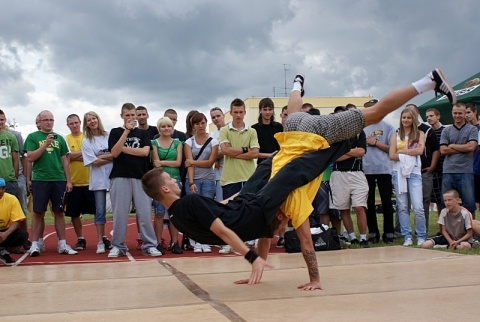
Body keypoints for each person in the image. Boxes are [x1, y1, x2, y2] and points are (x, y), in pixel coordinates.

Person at [142, 68, 457, 290]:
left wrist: (259, 261)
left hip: (313, 138)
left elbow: (297, 242)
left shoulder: (285, 203)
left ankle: (429, 80)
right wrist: (258, 265)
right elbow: (258, 231)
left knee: (372, 114)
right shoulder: (250, 212)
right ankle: (296, 84)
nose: (281, 229)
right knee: (293, 115)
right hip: (291, 135)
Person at [107, 103, 162, 258]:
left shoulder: (143, 133)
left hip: (140, 177)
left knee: (144, 213)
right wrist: (126, 132)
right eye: (128, 115)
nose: (131, 118)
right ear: (122, 116)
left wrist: (123, 149)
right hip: (119, 176)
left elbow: (145, 152)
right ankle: (118, 246)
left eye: (133, 115)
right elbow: (114, 153)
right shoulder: (116, 132)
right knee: (120, 214)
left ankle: (149, 245)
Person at [24, 110, 77, 256]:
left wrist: (68, 180)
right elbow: (30, 158)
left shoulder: (60, 138)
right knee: (38, 212)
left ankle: (62, 243)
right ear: (39, 122)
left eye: (51, 120)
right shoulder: (33, 137)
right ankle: (35, 244)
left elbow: (64, 161)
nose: (49, 122)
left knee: (59, 212)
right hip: (40, 179)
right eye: (46, 120)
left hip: (58, 179)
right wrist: (46, 143)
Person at [218, 98, 259, 253]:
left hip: (249, 177)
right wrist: (244, 150)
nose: (238, 115)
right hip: (230, 177)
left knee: (248, 210)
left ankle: (246, 239)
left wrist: (235, 151)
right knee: (230, 211)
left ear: (245, 112)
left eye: (241, 112)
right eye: (235, 112)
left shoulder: (252, 131)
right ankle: (230, 242)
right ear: (231, 113)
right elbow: (225, 151)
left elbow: (255, 153)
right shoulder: (224, 130)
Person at [329, 106, 369, 247]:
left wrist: (344, 152)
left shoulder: (359, 132)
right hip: (339, 174)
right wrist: (352, 152)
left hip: (357, 174)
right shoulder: (333, 135)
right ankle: (352, 237)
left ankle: (363, 237)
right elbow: (333, 158)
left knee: (359, 207)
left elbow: (361, 151)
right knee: (343, 208)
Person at [389, 108, 427, 246]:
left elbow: (420, 150)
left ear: (413, 120)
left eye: (408, 118)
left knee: (418, 206)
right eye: (403, 117)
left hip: (415, 172)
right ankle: (407, 236)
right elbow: (392, 155)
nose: (406, 120)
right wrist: (411, 152)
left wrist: (403, 151)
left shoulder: (420, 134)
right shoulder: (395, 135)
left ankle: (421, 235)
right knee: (402, 206)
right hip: (398, 172)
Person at [362, 99, 396, 243]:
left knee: (387, 202)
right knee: (368, 203)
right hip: (366, 169)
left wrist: (376, 143)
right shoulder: (361, 127)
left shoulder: (389, 127)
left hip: (384, 169)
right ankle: (373, 232)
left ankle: (389, 232)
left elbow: (392, 149)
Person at [184, 112, 219, 253]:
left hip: (209, 180)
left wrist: (193, 161)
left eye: (203, 122)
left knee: (206, 211)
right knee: (194, 212)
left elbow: (210, 162)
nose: (201, 126)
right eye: (197, 123)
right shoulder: (189, 142)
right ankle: (196, 241)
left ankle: (205, 240)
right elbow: (188, 165)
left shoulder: (213, 142)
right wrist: (191, 182)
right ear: (193, 126)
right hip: (193, 180)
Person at [81, 111, 113, 254]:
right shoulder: (86, 141)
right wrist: (110, 156)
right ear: (86, 124)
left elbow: (117, 154)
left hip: (113, 177)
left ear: (98, 119)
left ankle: (117, 240)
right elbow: (93, 162)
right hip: (98, 181)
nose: (92, 121)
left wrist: (103, 156)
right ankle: (100, 241)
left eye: (94, 118)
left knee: (118, 211)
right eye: (89, 120)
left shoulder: (109, 136)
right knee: (100, 212)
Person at [150, 117, 183, 255]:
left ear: (172, 127)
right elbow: (155, 163)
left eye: (169, 126)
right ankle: (158, 242)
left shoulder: (178, 143)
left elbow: (178, 163)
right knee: (159, 214)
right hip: (159, 181)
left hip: (175, 180)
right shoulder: (154, 143)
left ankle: (175, 242)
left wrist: (162, 163)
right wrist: (165, 163)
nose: (166, 128)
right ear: (159, 128)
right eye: (163, 126)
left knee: (174, 213)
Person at [406, 104, 440, 232]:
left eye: (412, 111)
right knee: (404, 202)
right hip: (406, 171)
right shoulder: (402, 130)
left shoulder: (427, 130)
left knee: (425, 200)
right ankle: (400, 230)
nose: (410, 114)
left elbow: (436, 150)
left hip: (424, 170)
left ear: (417, 113)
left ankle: (422, 229)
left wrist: (432, 166)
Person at [440, 102, 477, 218]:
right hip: (448, 171)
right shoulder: (446, 130)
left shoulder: (472, 129)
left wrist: (452, 146)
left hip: (465, 171)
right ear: (452, 113)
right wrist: (463, 148)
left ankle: (472, 231)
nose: (457, 115)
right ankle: (446, 232)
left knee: (469, 204)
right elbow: (443, 151)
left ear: (465, 113)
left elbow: (471, 147)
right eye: (455, 113)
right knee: (446, 204)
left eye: (460, 113)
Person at [65, 114, 96, 251]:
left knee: (98, 211)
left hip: (91, 181)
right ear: (68, 125)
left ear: (80, 123)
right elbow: (66, 157)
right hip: (74, 182)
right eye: (71, 123)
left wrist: (73, 155)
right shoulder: (65, 139)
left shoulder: (88, 137)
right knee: (74, 213)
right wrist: (84, 154)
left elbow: (94, 155)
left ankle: (103, 237)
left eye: (76, 123)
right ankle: (80, 238)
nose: (74, 125)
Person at [133, 106, 159, 250]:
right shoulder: (134, 132)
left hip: (154, 174)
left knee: (158, 210)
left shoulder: (154, 131)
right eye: (139, 115)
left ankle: (156, 237)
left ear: (148, 115)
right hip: (139, 174)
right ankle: (141, 236)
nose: (141, 117)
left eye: (143, 114)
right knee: (141, 209)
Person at [0, 178, 28, 265]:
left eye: (3, 188)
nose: (0, 191)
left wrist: (6, 234)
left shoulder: (12, 199)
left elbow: (17, 220)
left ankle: (3, 252)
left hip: (5, 230)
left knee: (23, 235)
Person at [425, 108, 445, 216]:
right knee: (438, 200)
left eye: (431, 116)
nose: (429, 118)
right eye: (427, 117)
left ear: (438, 116)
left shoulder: (445, 131)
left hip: (445, 168)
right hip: (434, 170)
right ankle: (441, 228)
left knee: (447, 198)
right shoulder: (428, 133)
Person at [252, 98, 283, 164]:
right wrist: (269, 155)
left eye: (270, 109)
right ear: (260, 110)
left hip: (278, 163)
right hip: (262, 164)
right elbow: (253, 152)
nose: (267, 112)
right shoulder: (254, 129)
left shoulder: (279, 127)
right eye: (265, 109)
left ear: (273, 111)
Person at [0, 110, 19, 197]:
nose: (0, 122)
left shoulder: (11, 137)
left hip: (8, 180)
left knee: (9, 208)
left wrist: (14, 177)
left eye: (2, 119)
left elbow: (15, 160)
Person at [209, 107, 226, 201]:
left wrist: (221, 151)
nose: (216, 119)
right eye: (213, 117)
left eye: (218, 116)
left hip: (235, 173)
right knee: (221, 202)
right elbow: (211, 155)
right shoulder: (212, 136)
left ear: (223, 116)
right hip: (219, 175)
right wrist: (227, 150)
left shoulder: (231, 130)